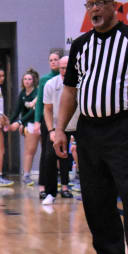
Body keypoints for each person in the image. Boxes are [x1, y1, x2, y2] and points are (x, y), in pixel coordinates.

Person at [53, 0, 128, 254]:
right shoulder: (80, 45)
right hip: (88, 130)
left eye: (101, 3)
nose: (94, 9)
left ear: (115, 6)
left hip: (123, 128)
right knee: (95, 198)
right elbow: (70, 91)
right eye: (89, 4)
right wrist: (60, 130)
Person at [41, 56, 76, 204]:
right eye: (61, 68)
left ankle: (70, 187)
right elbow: (47, 110)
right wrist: (51, 131)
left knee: (84, 157)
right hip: (58, 127)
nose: (64, 71)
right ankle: (50, 193)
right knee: (50, 156)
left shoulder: (80, 83)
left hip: (77, 126)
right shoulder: (50, 84)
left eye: (67, 68)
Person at [31, 49, 63, 197]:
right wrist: (37, 121)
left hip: (64, 121)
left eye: (56, 59)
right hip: (48, 121)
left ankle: (64, 186)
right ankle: (43, 187)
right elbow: (40, 103)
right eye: (51, 60)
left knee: (64, 155)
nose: (53, 62)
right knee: (46, 154)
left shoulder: (66, 78)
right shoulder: (45, 80)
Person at [7, 69, 39, 185]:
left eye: (29, 79)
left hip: (40, 123)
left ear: (33, 81)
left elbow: (33, 112)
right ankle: (26, 175)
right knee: (29, 151)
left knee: (47, 151)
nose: (27, 81)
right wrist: (9, 123)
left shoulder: (37, 93)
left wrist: (20, 122)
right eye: (25, 79)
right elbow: (17, 110)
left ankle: (57, 176)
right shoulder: (22, 93)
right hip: (29, 125)